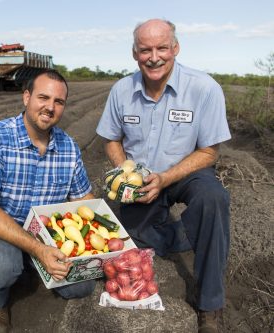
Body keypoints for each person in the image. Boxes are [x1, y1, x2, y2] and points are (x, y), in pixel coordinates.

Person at [96, 19, 230, 333]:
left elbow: (210, 152)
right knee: (136, 242)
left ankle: (211, 304)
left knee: (213, 199)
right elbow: (111, 139)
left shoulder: (204, 88)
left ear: (175, 48)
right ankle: (183, 232)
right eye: (145, 50)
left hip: (187, 172)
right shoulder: (122, 90)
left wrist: (167, 178)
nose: (154, 57)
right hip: (140, 178)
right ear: (135, 53)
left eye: (161, 48)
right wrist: (125, 171)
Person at [0, 69, 96, 333]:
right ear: (26, 97)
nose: (50, 107)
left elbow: (83, 199)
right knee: (1, 268)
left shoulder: (68, 147)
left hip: (41, 229)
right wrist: (38, 249)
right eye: (43, 97)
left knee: (83, 284)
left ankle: (31, 263)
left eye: (58, 102)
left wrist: (115, 242)